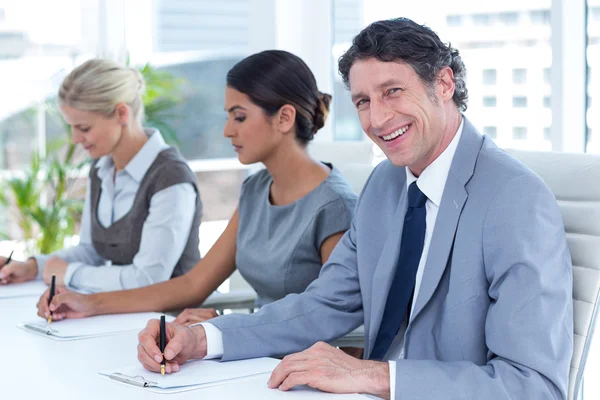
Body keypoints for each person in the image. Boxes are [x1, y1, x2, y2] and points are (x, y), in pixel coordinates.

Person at [136, 18, 574, 400]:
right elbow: (323, 305)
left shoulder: (515, 199)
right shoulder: (385, 184)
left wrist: (375, 376)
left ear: (443, 84)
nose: (378, 119)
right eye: (364, 101)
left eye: (393, 91)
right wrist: (201, 339)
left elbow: (532, 385)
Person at [36, 50, 357, 327]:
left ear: (284, 118)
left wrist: (228, 327)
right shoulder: (256, 190)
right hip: (260, 355)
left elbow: (334, 320)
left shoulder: (334, 208)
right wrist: (89, 304)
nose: (227, 131)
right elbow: (192, 284)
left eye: (239, 117)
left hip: (297, 365)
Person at [0, 59, 202, 293]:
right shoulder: (101, 169)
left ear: (121, 113)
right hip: (117, 313)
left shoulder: (170, 178)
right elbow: (90, 250)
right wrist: (33, 267)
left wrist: (69, 274)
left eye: (84, 128)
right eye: (72, 128)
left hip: (170, 320)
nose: (75, 139)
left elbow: (148, 278)